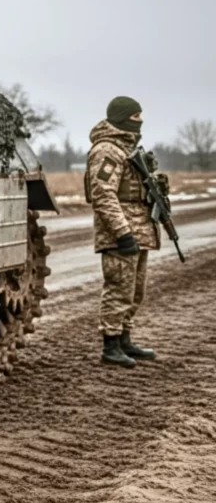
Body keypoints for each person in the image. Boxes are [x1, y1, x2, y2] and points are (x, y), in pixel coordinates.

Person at [85, 96, 160, 368]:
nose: (139, 122)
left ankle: (125, 338)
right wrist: (122, 232)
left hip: (137, 232)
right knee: (118, 289)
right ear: (122, 117)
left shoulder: (127, 148)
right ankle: (111, 346)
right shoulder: (107, 150)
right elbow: (103, 195)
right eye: (135, 116)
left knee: (134, 290)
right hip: (121, 234)